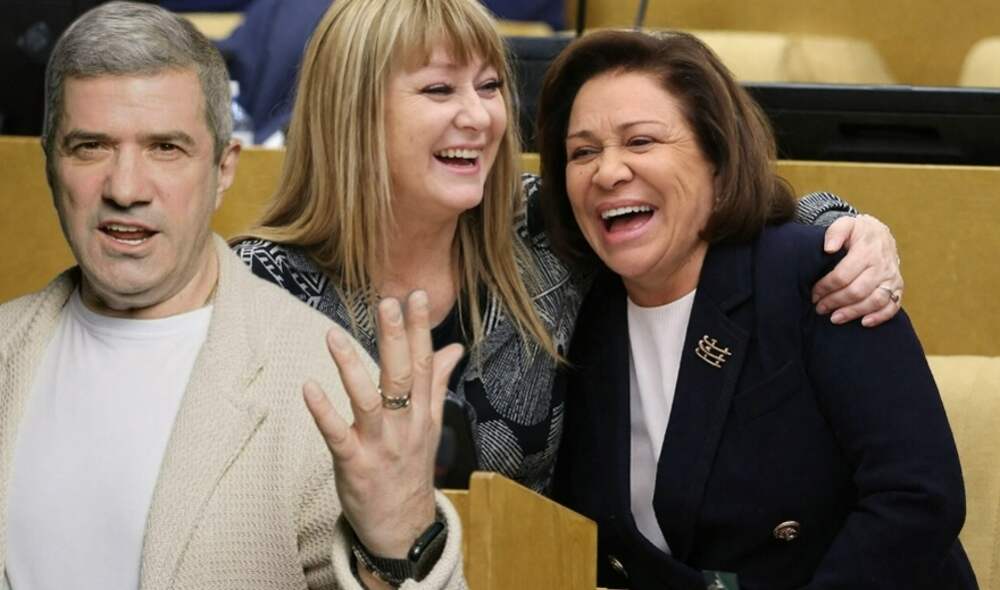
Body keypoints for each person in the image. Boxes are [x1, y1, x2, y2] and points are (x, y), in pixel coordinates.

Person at [234, 0, 904, 496]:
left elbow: (712, 210)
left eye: (490, 86)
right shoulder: (260, 284)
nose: (480, 116)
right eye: (439, 89)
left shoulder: (540, 223)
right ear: (351, 111)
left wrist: (842, 228)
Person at [0, 3, 465, 589]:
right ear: (50, 162)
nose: (126, 188)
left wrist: (396, 544)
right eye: (90, 146)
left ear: (224, 169)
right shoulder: (7, 349)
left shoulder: (325, 383)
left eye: (165, 148)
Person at [539, 30, 976, 589]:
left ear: (718, 160)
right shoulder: (578, 310)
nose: (607, 172)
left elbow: (918, 495)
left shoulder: (819, 275)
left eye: (641, 141)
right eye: (583, 152)